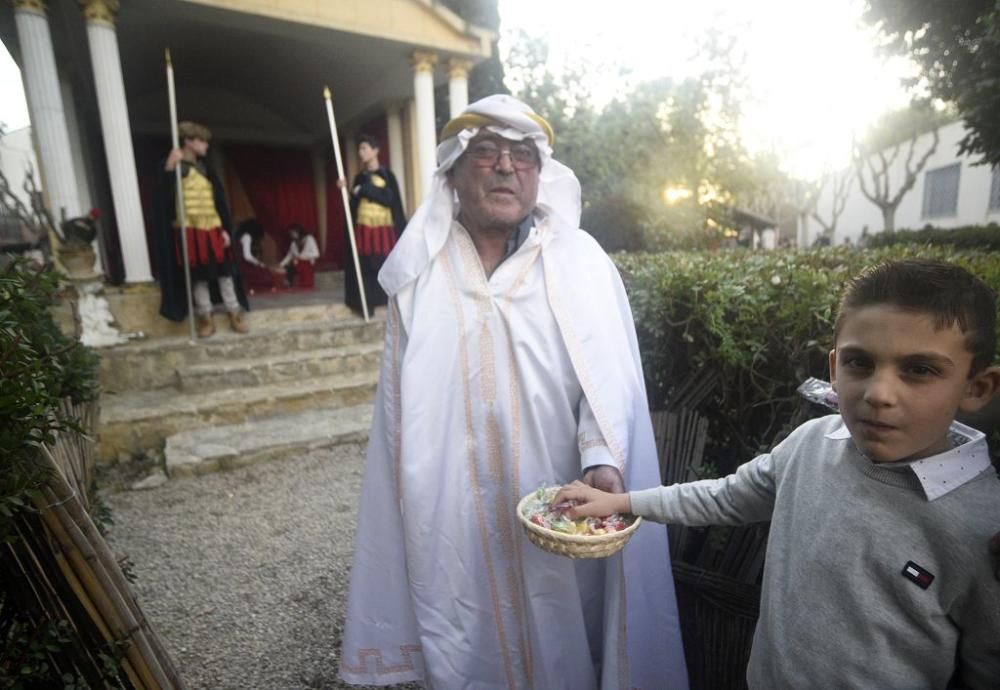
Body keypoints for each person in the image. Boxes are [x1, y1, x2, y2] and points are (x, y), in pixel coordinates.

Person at [339, 95, 688, 689]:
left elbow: (607, 383)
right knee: (466, 638)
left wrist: (603, 458)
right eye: (487, 153)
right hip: (453, 518)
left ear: (539, 173)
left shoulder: (579, 262)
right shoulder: (419, 278)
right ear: (452, 169)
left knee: (570, 640)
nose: (506, 167)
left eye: (523, 156)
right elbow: (397, 421)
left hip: (564, 509)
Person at [555, 259, 1000, 689]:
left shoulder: (983, 529)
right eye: (859, 363)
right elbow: (725, 497)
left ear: (977, 388)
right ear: (833, 369)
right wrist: (621, 502)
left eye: (919, 370)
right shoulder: (810, 446)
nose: (880, 393)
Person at [155, 121, 249, 337]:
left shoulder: (207, 169)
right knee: (198, 276)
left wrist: (225, 229)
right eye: (202, 141)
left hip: (213, 228)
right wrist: (169, 170)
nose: (206, 145)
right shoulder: (172, 167)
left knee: (225, 272)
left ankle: (234, 312)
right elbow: (164, 203)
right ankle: (205, 317)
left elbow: (219, 202)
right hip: (189, 230)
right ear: (189, 142)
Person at [340, 134, 405, 314]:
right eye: (359, 149)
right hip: (364, 230)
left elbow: (390, 200)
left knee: (382, 264)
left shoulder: (387, 176)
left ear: (375, 150)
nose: (361, 153)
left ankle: (387, 301)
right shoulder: (359, 178)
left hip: (384, 230)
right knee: (365, 264)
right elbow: (353, 206)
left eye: (364, 148)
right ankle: (366, 303)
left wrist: (365, 190)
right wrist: (346, 191)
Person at [235, 218, 280, 293]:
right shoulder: (247, 237)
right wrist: (259, 263)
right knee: (265, 273)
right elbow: (247, 256)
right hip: (244, 265)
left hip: (240, 263)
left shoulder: (241, 236)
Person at [278, 222, 320, 288]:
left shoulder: (309, 239)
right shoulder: (293, 243)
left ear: (298, 231)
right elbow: (289, 256)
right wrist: (280, 265)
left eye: (293, 233)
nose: (291, 235)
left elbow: (316, 254)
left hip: (308, 263)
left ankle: (289, 281)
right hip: (298, 263)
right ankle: (288, 282)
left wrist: (301, 257)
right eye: (290, 233)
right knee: (288, 266)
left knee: (294, 264)